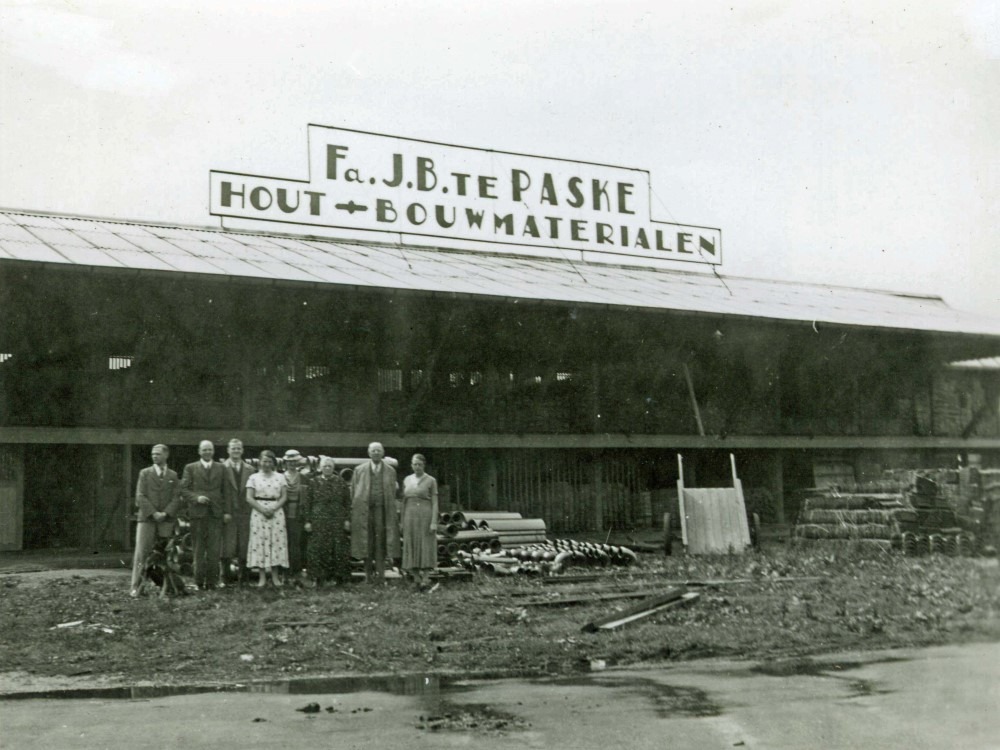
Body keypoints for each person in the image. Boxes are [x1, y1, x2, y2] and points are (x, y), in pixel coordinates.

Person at [130, 444, 182, 597]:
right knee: (142, 553)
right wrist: (153, 513)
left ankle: (167, 587)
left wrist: (165, 513)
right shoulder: (144, 473)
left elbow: (176, 498)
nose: (154, 456)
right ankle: (136, 588)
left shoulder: (173, 475)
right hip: (147, 519)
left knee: (165, 557)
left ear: (166, 455)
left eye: (158, 454)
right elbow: (140, 496)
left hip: (166, 521)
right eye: (153, 454)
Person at [180, 440, 232, 591]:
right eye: (204, 450)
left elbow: (226, 491)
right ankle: (198, 582)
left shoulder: (221, 468)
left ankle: (212, 582)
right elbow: (183, 489)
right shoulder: (190, 468)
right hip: (198, 514)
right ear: (199, 451)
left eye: (210, 449)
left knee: (214, 550)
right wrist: (196, 498)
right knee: (198, 550)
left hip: (215, 514)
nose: (207, 452)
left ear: (213, 451)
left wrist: (227, 511)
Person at [350, 442, 400, 582]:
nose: (376, 453)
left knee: (381, 542)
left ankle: (381, 575)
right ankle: (368, 575)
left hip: (382, 511)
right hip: (364, 512)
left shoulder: (390, 471)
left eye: (378, 450)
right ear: (369, 453)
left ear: (383, 452)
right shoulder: (359, 470)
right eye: (373, 450)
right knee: (366, 542)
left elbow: (393, 493)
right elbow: (353, 492)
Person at [304, 456, 352, 586]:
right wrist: (308, 521)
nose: (327, 468)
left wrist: (347, 520)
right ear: (320, 468)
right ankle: (319, 578)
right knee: (318, 548)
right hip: (318, 520)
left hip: (337, 519)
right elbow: (308, 503)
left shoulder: (341, 482)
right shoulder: (313, 482)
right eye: (324, 466)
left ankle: (339, 578)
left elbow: (347, 503)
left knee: (338, 548)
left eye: (329, 466)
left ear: (333, 468)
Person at [246, 449, 289, 587]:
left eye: (269, 461)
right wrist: (262, 509)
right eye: (264, 461)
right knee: (261, 543)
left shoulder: (280, 477)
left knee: (275, 543)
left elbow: (284, 496)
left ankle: (275, 577)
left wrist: (273, 508)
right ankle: (262, 577)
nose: (266, 464)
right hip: (259, 513)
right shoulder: (253, 478)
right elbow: (249, 497)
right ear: (259, 462)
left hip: (276, 513)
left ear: (273, 463)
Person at [401, 453, 439, 590]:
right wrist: (402, 521)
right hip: (410, 515)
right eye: (415, 464)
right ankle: (416, 577)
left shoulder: (431, 480)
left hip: (425, 515)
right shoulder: (406, 479)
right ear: (411, 465)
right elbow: (404, 501)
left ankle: (426, 577)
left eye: (420, 464)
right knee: (411, 543)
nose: (417, 467)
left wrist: (433, 521)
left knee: (426, 543)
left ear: (424, 465)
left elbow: (435, 502)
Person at [221, 438, 255, 585]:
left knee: (244, 545)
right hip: (229, 512)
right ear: (228, 450)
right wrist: (224, 511)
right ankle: (226, 578)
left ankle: (243, 579)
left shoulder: (250, 469)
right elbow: (220, 492)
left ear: (242, 450)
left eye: (238, 448)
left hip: (245, 512)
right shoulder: (222, 468)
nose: (236, 451)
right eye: (233, 448)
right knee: (227, 547)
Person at [282, 449, 309, 583]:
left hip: (298, 514)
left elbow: (307, 498)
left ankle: (297, 572)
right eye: (289, 461)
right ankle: (285, 573)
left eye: (294, 461)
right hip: (282, 513)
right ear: (285, 463)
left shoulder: (304, 477)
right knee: (283, 542)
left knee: (297, 544)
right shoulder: (280, 477)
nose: (292, 464)